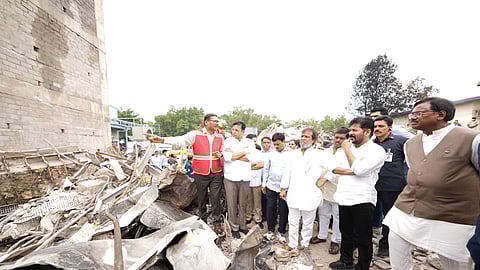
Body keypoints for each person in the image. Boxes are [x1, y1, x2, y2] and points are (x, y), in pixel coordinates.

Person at [383, 97, 480, 269]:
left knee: (455, 261)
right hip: (408, 207)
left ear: (441, 115)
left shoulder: (471, 139)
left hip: (452, 214)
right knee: (396, 240)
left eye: (419, 113)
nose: (412, 117)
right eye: (412, 113)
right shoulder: (410, 144)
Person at [146, 113, 224, 234]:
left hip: (216, 172)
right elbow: (180, 140)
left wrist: (222, 155)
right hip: (200, 172)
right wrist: (162, 139)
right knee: (202, 197)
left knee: (215, 197)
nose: (216, 123)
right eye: (214, 121)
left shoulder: (220, 137)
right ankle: (202, 221)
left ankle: (217, 222)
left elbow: (224, 151)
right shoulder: (195, 135)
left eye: (217, 121)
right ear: (206, 122)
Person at [329, 117, 386, 270]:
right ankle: (346, 260)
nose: (350, 134)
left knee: (363, 236)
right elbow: (333, 168)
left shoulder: (377, 151)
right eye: (350, 130)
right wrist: (355, 170)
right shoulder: (344, 149)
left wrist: (348, 152)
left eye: (354, 130)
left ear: (367, 132)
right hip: (344, 196)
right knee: (345, 232)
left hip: (363, 198)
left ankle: (363, 265)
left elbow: (360, 170)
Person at [278, 127, 333, 258]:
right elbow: (287, 171)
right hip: (295, 192)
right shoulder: (293, 153)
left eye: (307, 136)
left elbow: (332, 168)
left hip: (310, 193)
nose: (303, 138)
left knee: (308, 222)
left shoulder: (320, 154)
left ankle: (305, 244)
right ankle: (292, 244)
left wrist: (324, 180)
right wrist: (283, 188)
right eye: (302, 136)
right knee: (292, 220)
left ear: (314, 140)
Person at [372, 115, 408, 258]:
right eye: (375, 126)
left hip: (392, 186)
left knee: (389, 217)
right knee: (369, 216)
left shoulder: (400, 142)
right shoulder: (371, 144)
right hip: (372, 186)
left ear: (389, 128)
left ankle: (385, 245)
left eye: (381, 126)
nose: (377, 129)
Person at [311, 127, 350, 255]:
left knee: (337, 215)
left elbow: (342, 170)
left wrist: (327, 177)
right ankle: (322, 235)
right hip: (324, 187)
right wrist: (320, 179)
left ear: (347, 139)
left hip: (338, 187)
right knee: (323, 212)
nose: (338, 140)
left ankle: (335, 240)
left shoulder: (347, 153)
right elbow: (321, 166)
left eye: (342, 138)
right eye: (337, 137)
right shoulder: (326, 151)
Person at [223, 120, 257, 239]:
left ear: (243, 131)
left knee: (243, 203)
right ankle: (234, 227)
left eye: (237, 130)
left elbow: (251, 158)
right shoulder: (227, 142)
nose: (234, 132)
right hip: (230, 177)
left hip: (245, 177)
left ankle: (243, 225)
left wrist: (235, 156)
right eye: (232, 129)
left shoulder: (249, 142)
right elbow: (227, 158)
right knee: (232, 204)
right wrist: (243, 153)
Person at [262, 132, 290, 243]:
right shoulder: (271, 154)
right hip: (271, 186)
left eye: (278, 144)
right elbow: (266, 169)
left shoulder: (290, 155)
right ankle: (270, 230)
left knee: (283, 210)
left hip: (285, 188)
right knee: (270, 208)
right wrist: (264, 184)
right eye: (275, 145)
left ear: (284, 142)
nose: (276, 147)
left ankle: (282, 231)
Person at [245, 144, 265, 228]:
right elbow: (244, 166)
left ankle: (258, 218)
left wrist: (252, 165)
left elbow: (262, 164)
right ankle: (248, 216)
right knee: (248, 200)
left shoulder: (259, 153)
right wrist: (253, 165)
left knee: (257, 201)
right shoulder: (245, 153)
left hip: (257, 181)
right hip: (247, 180)